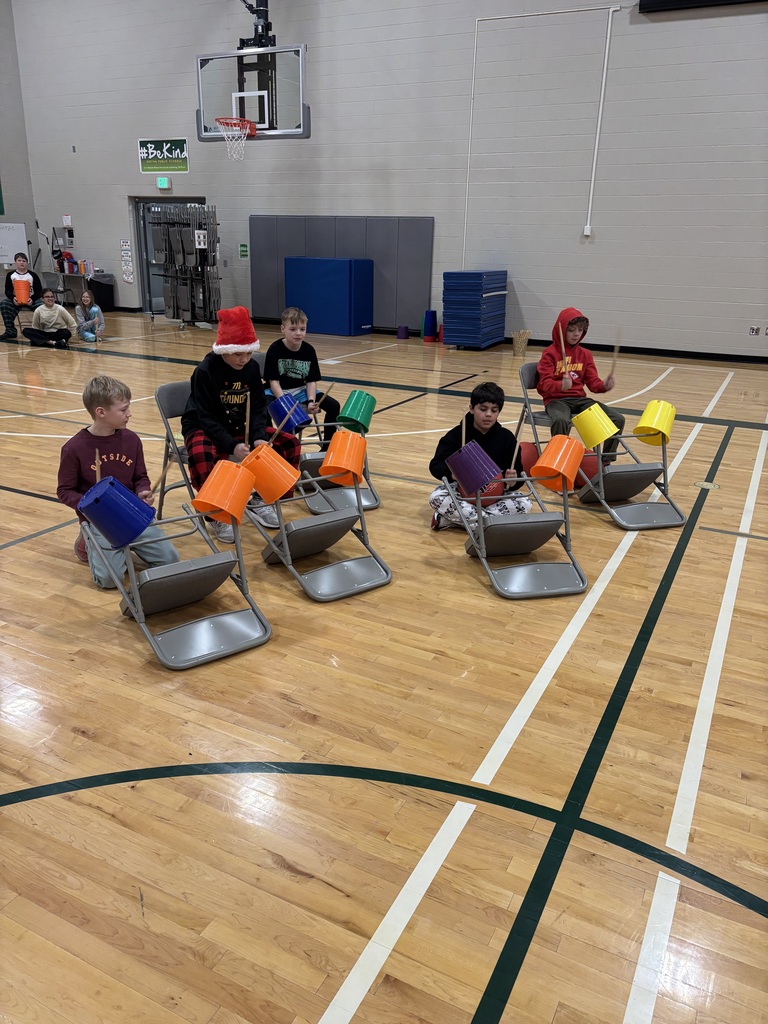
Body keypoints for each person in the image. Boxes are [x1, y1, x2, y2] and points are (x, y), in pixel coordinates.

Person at [181, 305, 301, 542]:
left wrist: (258, 436)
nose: (245, 359)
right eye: (238, 354)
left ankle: (261, 499)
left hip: (239, 425)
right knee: (202, 453)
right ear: (225, 350)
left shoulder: (252, 368)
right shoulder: (204, 371)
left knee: (289, 444)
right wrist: (231, 445)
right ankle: (216, 512)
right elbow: (205, 417)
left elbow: (257, 407)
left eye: (248, 353)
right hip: (204, 425)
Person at [57, 375, 180, 589]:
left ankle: (124, 545)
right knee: (109, 581)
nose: (129, 413)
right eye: (123, 410)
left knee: (170, 561)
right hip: (100, 521)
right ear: (101, 413)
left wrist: (143, 491)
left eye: (128, 407)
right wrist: (93, 507)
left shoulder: (131, 439)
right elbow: (64, 491)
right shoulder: (73, 448)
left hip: (132, 512)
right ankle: (88, 540)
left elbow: (140, 477)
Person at [428, 381, 531, 530]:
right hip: (463, 496)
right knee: (436, 497)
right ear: (471, 408)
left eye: (494, 410)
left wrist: (513, 481)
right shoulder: (456, 435)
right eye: (483, 409)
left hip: (495, 497)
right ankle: (491, 525)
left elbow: (518, 476)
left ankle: (458, 521)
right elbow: (435, 465)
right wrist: (452, 474)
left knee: (524, 503)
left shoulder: (507, 438)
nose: (488, 414)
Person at [537, 307, 625, 460]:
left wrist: (605, 385)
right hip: (556, 400)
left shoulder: (585, 354)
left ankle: (605, 462)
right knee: (561, 420)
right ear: (561, 331)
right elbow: (544, 384)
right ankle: (558, 461)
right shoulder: (549, 353)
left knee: (617, 419)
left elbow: (593, 384)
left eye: (579, 330)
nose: (576, 334)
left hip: (579, 400)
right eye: (571, 330)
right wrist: (560, 386)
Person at [264, 307, 341, 450]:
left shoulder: (309, 350)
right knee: (263, 407)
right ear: (283, 329)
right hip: (277, 391)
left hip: (300, 390)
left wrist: (311, 401)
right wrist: (284, 403)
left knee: (334, 406)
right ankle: (269, 445)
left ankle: (327, 447)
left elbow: (311, 381)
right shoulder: (275, 349)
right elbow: (273, 381)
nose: (298, 333)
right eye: (293, 329)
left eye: (302, 329)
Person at [1, 252, 43, 340]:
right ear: (15, 262)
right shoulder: (11, 275)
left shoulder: (33, 275)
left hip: (31, 299)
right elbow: (7, 290)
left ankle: (42, 330)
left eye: (24, 261)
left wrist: (32, 299)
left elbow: (39, 291)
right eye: (19, 260)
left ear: (27, 263)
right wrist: (13, 298)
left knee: (42, 307)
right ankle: (10, 331)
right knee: (4, 304)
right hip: (15, 299)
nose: (21, 262)